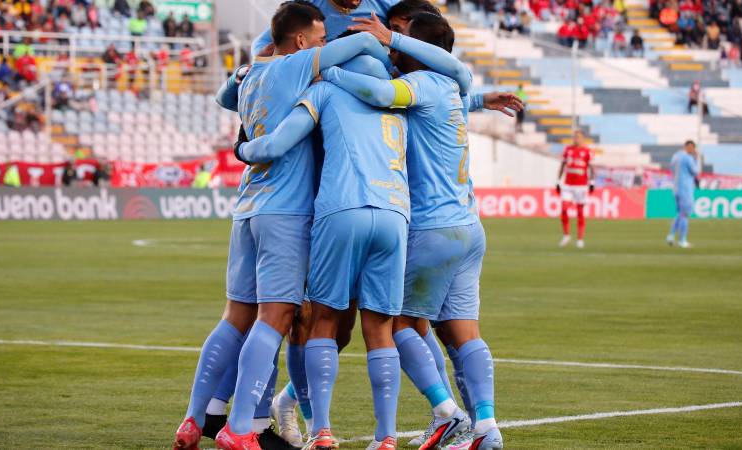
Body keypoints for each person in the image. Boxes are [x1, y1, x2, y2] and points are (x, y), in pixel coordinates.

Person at [173, 2, 393, 449]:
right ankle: (239, 429)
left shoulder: (251, 73)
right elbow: (367, 42)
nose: (323, 44)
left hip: (248, 208)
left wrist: (243, 74)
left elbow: (222, 98)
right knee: (277, 319)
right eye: (319, 38)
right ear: (298, 42)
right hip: (287, 212)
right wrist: (382, 37)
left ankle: (193, 420)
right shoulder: (298, 64)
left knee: (235, 316)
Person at [323, 11, 523, 450]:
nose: (395, 48)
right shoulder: (449, 89)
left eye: (403, 40)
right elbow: (444, 93)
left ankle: (447, 414)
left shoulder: (417, 86)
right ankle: (487, 427)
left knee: (395, 324)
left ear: (418, 49)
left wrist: (327, 69)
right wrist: (483, 99)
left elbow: (377, 91)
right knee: (464, 331)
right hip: (469, 227)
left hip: (433, 228)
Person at [238, 52, 410, 450]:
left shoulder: (326, 89)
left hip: (342, 208)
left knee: (324, 322)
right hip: (394, 213)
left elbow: (277, 143)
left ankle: (322, 431)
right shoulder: (396, 99)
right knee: (380, 329)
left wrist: (243, 149)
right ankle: (386, 437)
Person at [556, 130, 594, 249]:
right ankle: (566, 235)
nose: (576, 139)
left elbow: (591, 167)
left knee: (580, 212)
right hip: (568, 185)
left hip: (581, 185)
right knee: (564, 209)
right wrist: (558, 181)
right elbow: (562, 165)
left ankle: (580, 239)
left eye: (578, 137)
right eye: (575, 137)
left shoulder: (587, 151)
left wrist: (592, 182)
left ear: (583, 139)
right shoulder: (568, 150)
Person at [666, 140, 699, 248]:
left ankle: (670, 236)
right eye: (693, 148)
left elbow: (671, 169)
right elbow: (695, 171)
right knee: (684, 214)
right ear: (689, 147)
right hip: (685, 189)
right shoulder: (688, 158)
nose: (693, 150)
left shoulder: (675, 156)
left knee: (680, 213)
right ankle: (682, 240)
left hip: (676, 188)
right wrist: (696, 159)